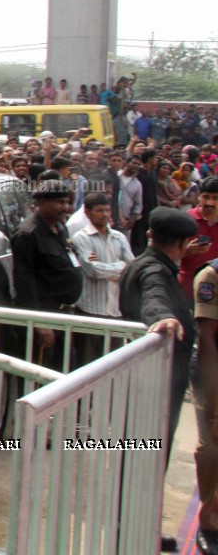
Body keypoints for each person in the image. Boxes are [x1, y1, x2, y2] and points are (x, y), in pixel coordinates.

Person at [119, 207, 199, 554]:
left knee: (149, 459)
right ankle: (133, 533)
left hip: (155, 381)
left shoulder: (147, 261)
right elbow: (154, 298)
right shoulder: (154, 270)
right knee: (146, 458)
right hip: (153, 384)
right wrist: (164, 317)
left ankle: (142, 527)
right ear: (183, 243)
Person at [11, 180, 83, 370]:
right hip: (45, 315)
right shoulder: (28, 234)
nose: (64, 207)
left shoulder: (59, 227)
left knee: (63, 370)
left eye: (66, 202)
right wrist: (39, 323)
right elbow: (24, 281)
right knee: (39, 374)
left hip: (63, 313)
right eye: (59, 202)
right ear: (42, 202)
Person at [69, 192, 134, 364]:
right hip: (91, 311)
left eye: (107, 210)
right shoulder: (81, 238)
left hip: (115, 311)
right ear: (87, 212)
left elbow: (132, 268)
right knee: (87, 364)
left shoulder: (119, 237)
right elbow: (93, 271)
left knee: (113, 364)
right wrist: (120, 266)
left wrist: (111, 267)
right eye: (99, 210)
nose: (104, 214)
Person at [191, 258, 218, 553]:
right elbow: (207, 339)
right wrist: (215, 404)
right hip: (213, 372)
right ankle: (210, 526)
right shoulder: (212, 276)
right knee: (212, 448)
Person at [181, 178, 218, 299]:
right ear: (198, 196)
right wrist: (188, 250)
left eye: (215, 198)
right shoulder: (185, 220)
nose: (210, 203)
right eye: (206, 197)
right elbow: (167, 256)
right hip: (188, 291)